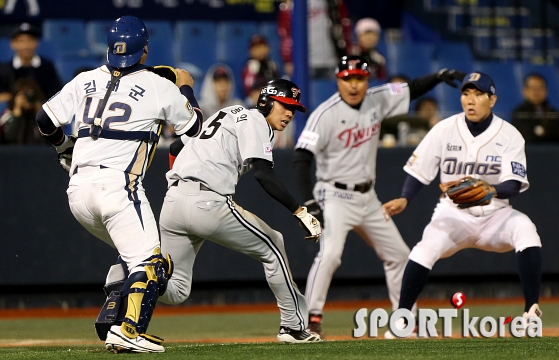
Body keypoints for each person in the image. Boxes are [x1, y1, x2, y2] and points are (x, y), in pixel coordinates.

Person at [35, 15, 203, 353]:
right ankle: (128, 330)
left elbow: (44, 119)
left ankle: (117, 299)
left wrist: (63, 146)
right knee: (152, 263)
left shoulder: (85, 79)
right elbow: (194, 127)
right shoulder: (159, 85)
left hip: (78, 193)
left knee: (140, 259)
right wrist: (185, 86)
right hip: (118, 186)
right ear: (144, 52)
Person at [293, 55, 466, 337]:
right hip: (334, 194)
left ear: (367, 80)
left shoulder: (379, 97)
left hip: (367, 197)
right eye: (347, 78)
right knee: (331, 254)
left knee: (399, 255)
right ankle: (310, 319)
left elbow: (412, 89)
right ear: (338, 80)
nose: (353, 84)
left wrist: (437, 76)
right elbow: (301, 159)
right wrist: (310, 202)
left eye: (359, 78)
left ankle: (404, 321)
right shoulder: (324, 114)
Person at [158, 79, 323, 344]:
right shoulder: (256, 120)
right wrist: (299, 211)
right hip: (208, 203)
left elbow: (177, 147)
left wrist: (185, 180)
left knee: (175, 290)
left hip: (173, 202)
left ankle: (131, 272)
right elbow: (263, 173)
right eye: (286, 105)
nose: (290, 113)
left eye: (294, 108)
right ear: (266, 101)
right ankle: (293, 327)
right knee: (274, 246)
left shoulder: (229, 113)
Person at [382, 71, 542, 338]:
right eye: (466, 93)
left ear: (492, 100)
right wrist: (405, 197)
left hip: (496, 214)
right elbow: (419, 171)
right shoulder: (444, 129)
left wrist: (492, 189)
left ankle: (530, 312)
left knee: (526, 230)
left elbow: (514, 184)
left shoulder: (510, 135)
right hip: (453, 213)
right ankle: (403, 320)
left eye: (478, 94)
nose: (470, 99)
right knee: (424, 249)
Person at [6, 22, 62, 101]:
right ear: (13, 44)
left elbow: (56, 94)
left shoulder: (47, 66)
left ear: (37, 43)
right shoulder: (6, 68)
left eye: (30, 41)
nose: (26, 46)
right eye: (21, 41)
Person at [512, 73, 559, 143]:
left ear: (546, 91)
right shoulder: (518, 113)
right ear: (524, 91)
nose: (536, 91)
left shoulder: (554, 114)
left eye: (540, 87)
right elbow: (522, 136)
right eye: (532, 87)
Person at [0, 77, 45, 144]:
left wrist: (40, 112)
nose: (26, 99)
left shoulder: (43, 115)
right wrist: (16, 112)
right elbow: (9, 138)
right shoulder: (7, 115)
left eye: (30, 95)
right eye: (23, 95)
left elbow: (49, 139)